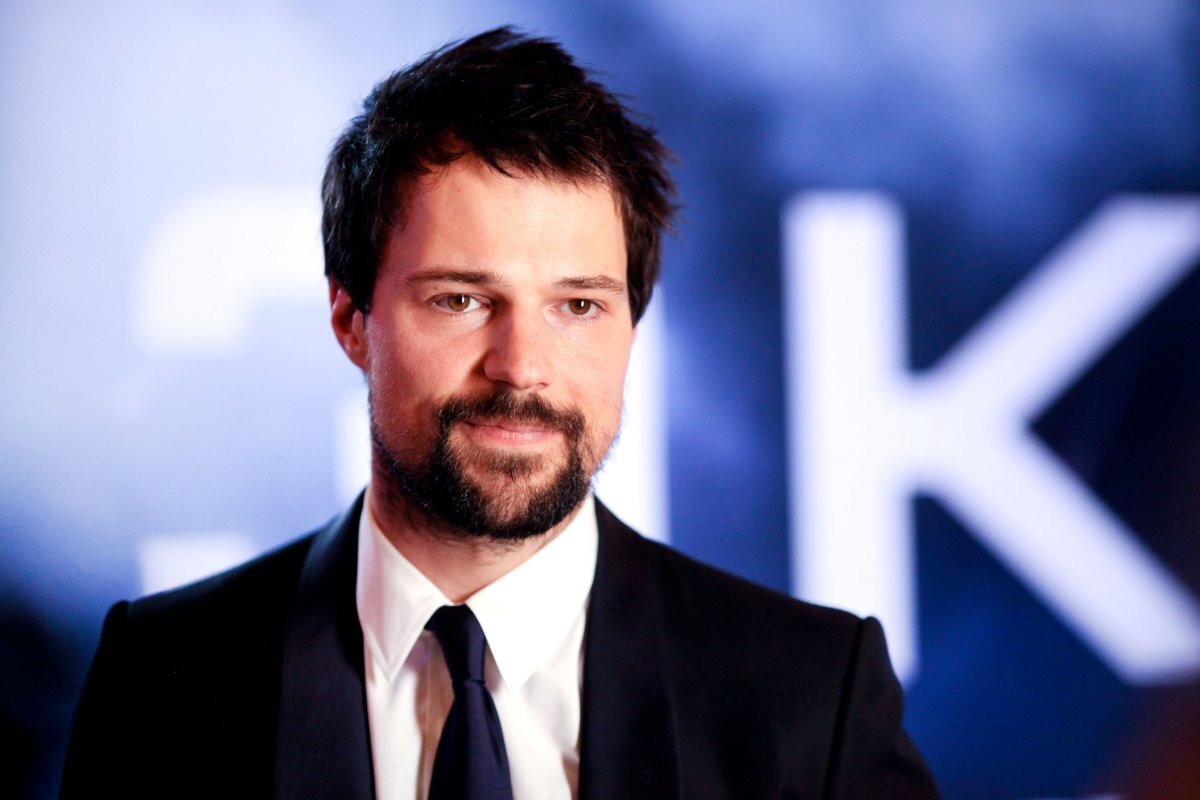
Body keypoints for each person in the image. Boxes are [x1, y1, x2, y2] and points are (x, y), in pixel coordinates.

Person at [60, 26, 938, 799]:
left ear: (632, 329)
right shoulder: (164, 681)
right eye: (461, 300)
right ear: (351, 320)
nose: (521, 367)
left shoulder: (810, 697)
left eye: (578, 305)